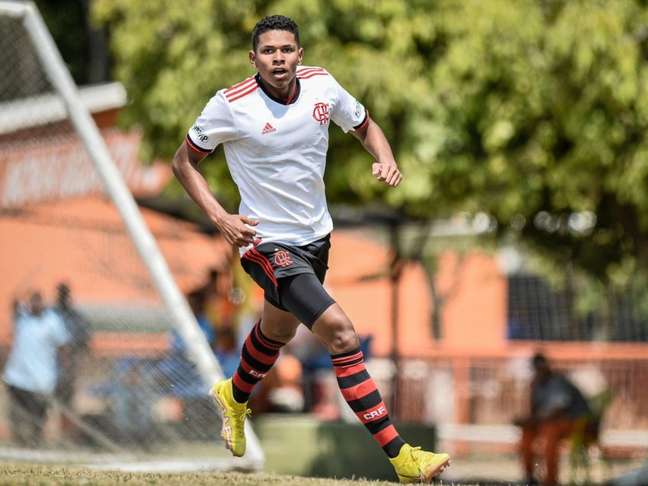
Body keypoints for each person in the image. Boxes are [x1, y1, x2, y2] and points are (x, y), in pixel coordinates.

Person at [172, 14, 450, 483]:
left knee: (276, 332)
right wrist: (221, 217)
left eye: (285, 50)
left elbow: (364, 126)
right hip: (265, 242)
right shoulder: (231, 105)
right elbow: (184, 162)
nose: (277, 59)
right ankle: (402, 458)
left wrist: (385, 157)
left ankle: (234, 397)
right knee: (341, 335)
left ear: (299, 54)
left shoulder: (322, 86)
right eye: (267, 51)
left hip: (316, 239)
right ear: (253, 58)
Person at [3, 291, 71, 446]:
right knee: (16, 413)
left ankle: (34, 442)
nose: (35, 305)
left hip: (41, 379)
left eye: (38, 301)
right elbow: (14, 307)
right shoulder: (23, 319)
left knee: (38, 414)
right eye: (32, 301)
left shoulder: (52, 322)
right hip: (17, 377)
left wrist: (64, 369)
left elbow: (63, 347)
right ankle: (19, 442)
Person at [515, 353, 593, 486]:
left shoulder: (559, 381)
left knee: (549, 432)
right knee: (527, 433)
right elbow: (536, 413)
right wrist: (527, 421)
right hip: (551, 424)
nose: (538, 371)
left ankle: (551, 481)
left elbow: (558, 410)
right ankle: (529, 478)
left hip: (577, 424)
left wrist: (533, 420)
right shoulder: (536, 385)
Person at [54, 282, 90, 439]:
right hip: (47, 368)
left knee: (67, 403)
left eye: (64, 293)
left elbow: (84, 341)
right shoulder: (51, 315)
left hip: (68, 367)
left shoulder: (76, 317)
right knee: (44, 403)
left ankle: (67, 436)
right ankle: (40, 437)